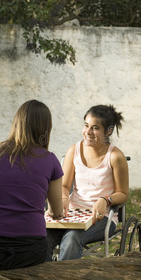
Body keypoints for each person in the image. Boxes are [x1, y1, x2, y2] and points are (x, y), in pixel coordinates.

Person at [46, 104, 129, 261]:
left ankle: (64, 279)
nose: (88, 132)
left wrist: (105, 200)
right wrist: (64, 198)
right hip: (72, 213)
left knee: (72, 238)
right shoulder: (74, 151)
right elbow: (64, 186)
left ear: (109, 131)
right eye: (86, 125)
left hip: (102, 217)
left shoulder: (116, 157)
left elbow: (123, 194)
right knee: (42, 237)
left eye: (95, 128)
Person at [0, 99, 64, 271]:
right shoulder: (50, 160)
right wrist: (53, 213)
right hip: (30, 250)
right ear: (45, 129)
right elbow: (57, 212)